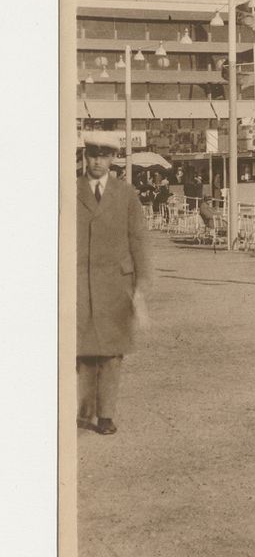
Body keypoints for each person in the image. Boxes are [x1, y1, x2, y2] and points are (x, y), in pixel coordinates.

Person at [77, 136, 153, 436]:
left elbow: (138, 239)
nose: (98, 162)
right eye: (93, 155)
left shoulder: (125, 193)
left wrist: (141, 284)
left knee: (111, 353)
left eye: (104, 156)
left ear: (113, 159)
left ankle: (106, 415)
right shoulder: (69, 190)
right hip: (79, 281)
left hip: (116, 284)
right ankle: (85, 411)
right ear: (85, 156)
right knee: (82, 350)